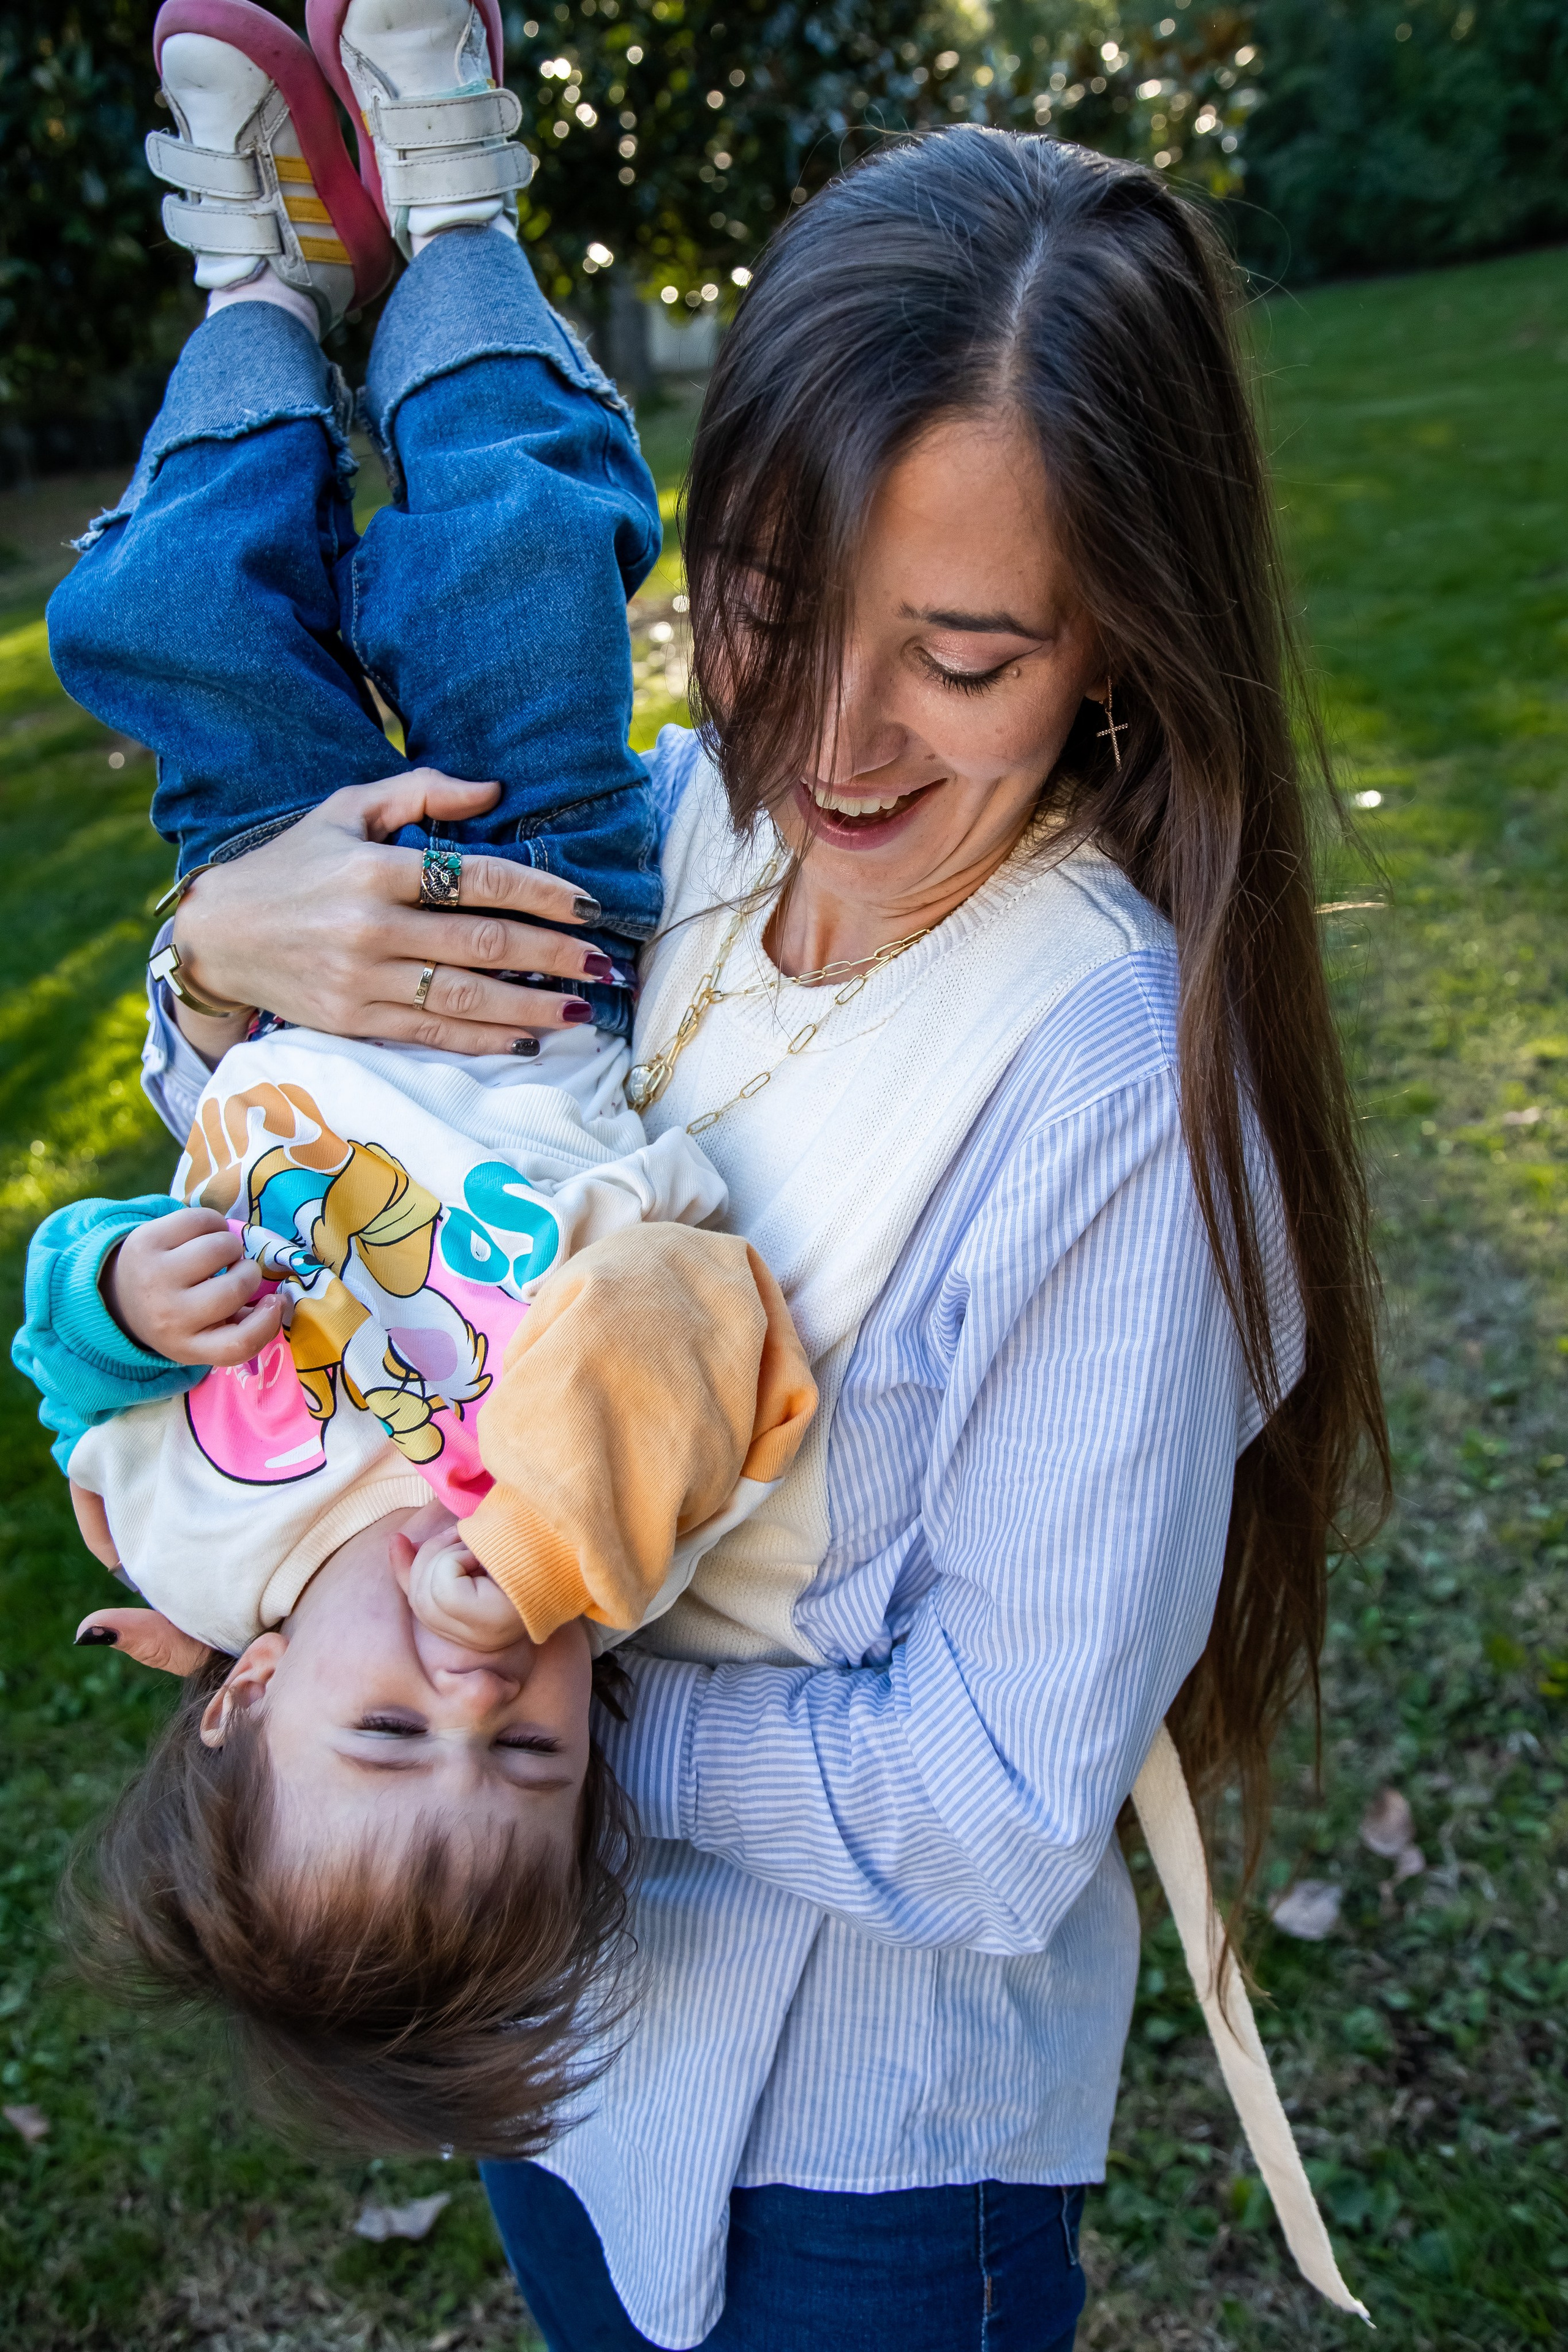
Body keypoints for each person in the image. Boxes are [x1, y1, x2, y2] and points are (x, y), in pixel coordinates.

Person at [43, 15, 1387, 2348]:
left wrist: (474, 1663)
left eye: (961, 660)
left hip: (851, 2154)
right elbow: (360, 1106)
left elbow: (986, 1810)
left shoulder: (1102, 1096)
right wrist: (217, 951)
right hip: (538, 2027)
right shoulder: (687, 834)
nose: (835, 740)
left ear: (1116, 658)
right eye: (771, 607)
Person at [17, 0, 818, 2163]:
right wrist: (552, 1529)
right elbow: (691, 1309)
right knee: (508, 547)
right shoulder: (625, 1543)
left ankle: (265, 281)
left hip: (266, 941)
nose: (476, 1696)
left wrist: (112, 1301)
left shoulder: (191, 1545)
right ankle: (453, 207)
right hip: (541, 916)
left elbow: (60, 1329)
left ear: (240, 1703)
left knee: (178, 606)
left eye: (390, 1737)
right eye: (534, 1761)